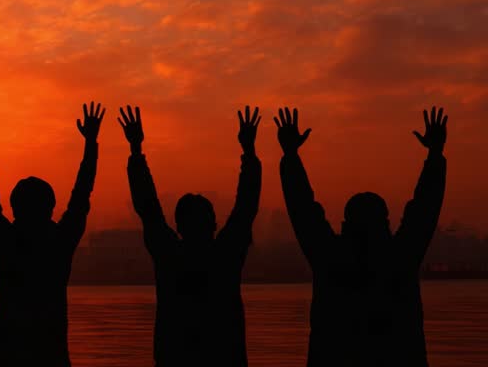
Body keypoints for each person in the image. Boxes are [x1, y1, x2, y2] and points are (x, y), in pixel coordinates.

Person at [278, 105, 447, 367]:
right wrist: (435, 155)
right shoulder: (399, 257)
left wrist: (290, 156)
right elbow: (424, 210)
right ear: (385, 222)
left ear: (346, 223)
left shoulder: (330, 258)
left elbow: (303, 210)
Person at [0, 96, 102, 367]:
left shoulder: (5, 239)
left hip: (8, 353)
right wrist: (90, 144)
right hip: (51, 353)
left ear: (14, 208)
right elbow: (82, 194)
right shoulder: (60, 241)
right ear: (50, 207)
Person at [119, 104, 262, 366]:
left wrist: (136, 151)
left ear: (179, 226)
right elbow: (246, 207)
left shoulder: (170, 255)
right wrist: (249, 153)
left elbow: (148, 208)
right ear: (214, 224)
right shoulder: (225, 255)